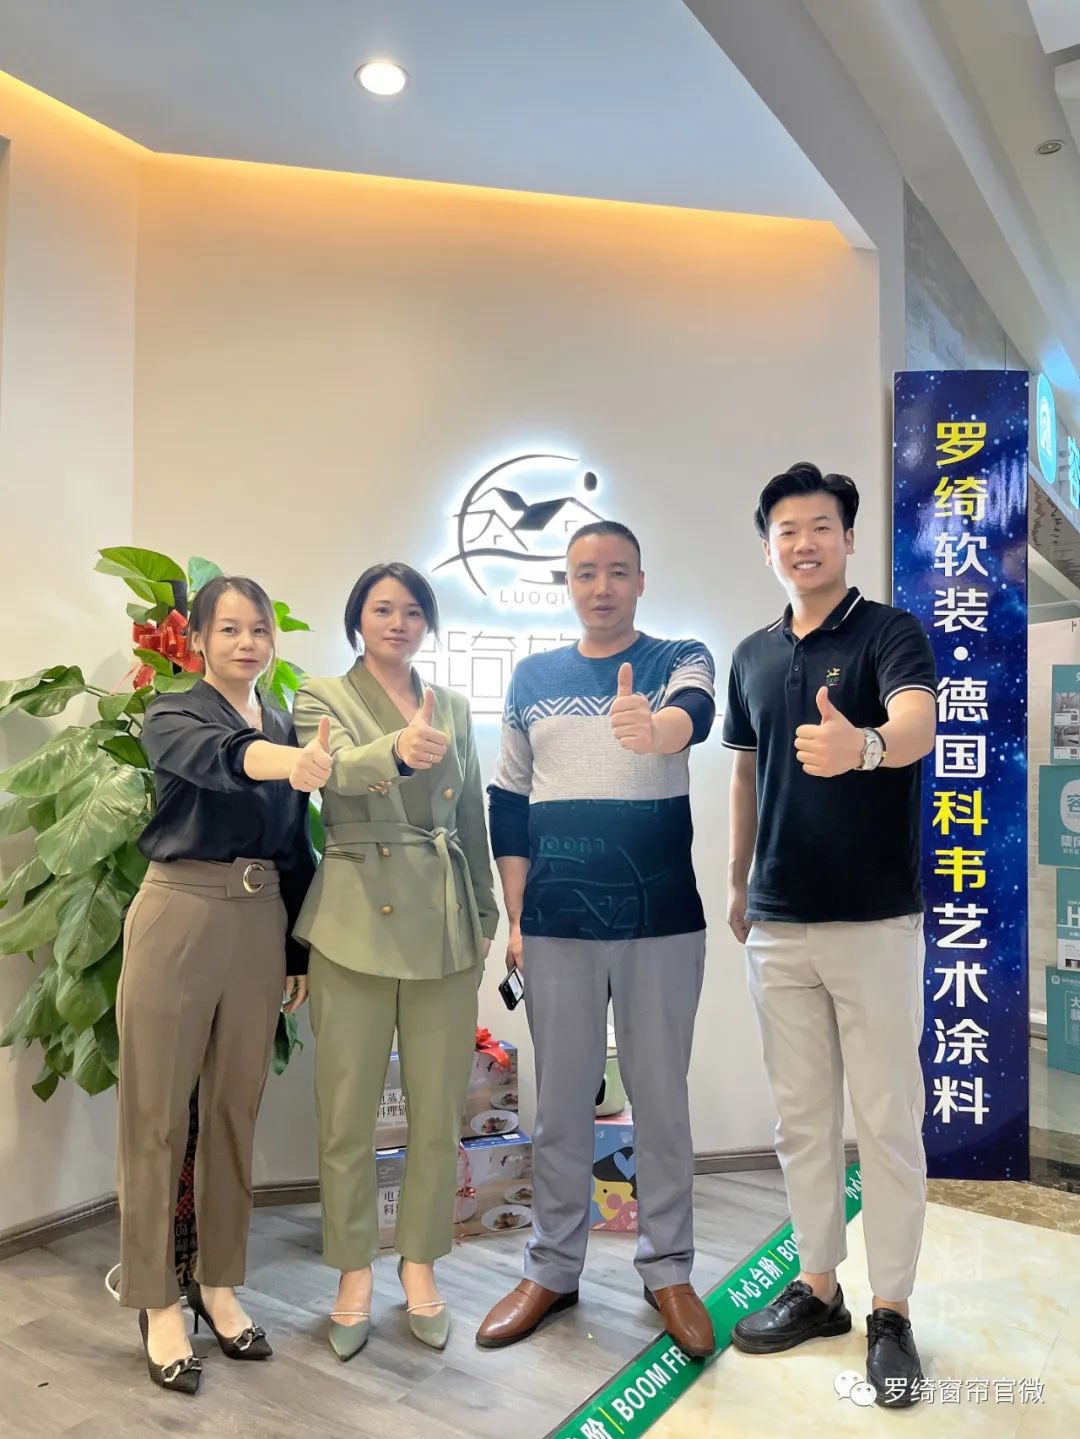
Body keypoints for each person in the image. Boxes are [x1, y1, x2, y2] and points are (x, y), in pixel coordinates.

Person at [723, 462, 936, 1408]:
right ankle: (819, 1289)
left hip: (875, 918)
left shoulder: (889, 631)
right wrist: (739, 877)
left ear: (847, 538)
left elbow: (919, 722)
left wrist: (867, 746)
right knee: (802, 1119)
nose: (802, 542)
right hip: (778, 920)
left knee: (886, 1120)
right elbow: (745, 772)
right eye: (785, 530)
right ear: (768, 548)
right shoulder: (752, 654)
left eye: (819, 526)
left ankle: (892, 1309)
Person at [477, 521, 717, 1359]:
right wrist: (517, 917)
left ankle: (669, 1269)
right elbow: (509, 799)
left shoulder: (678, 656)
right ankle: (552, 1266)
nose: (602, 586)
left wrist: (658, 730)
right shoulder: (532, 678)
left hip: (661, 921)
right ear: (568, 583)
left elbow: (696, 711)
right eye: (586, 572)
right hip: (556, 924)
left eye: (618, 571)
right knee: (560, 1105)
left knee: (662, 1102)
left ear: (641, 581)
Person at [117, 575, 327, 1395]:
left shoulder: (281, 721)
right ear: (198, 638)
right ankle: (156, 1300)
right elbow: (224, 760)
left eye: (259, 629)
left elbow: (294, 844)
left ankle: (219, 1283)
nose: (247, 642)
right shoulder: (173, 711)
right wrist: (294, 761)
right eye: (230, 628)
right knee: (157, 1115)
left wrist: (297, 950)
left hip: (260, 918)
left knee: (236, 1109)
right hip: (180, 910)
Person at [292, 562, 498, 1360]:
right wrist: (399, 751)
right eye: (382, 609)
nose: (398, 622)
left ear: (427, 623)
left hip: (445, 924)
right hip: (353, 920)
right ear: (359, 619)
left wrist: (483, 911)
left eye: (413, 610)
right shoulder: (321, 696)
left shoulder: (454, 706)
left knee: (438, 1110)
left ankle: (420, 1263)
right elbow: (332, 769)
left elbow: (472, 813)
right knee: (346, 1113)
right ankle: (353, 1271)